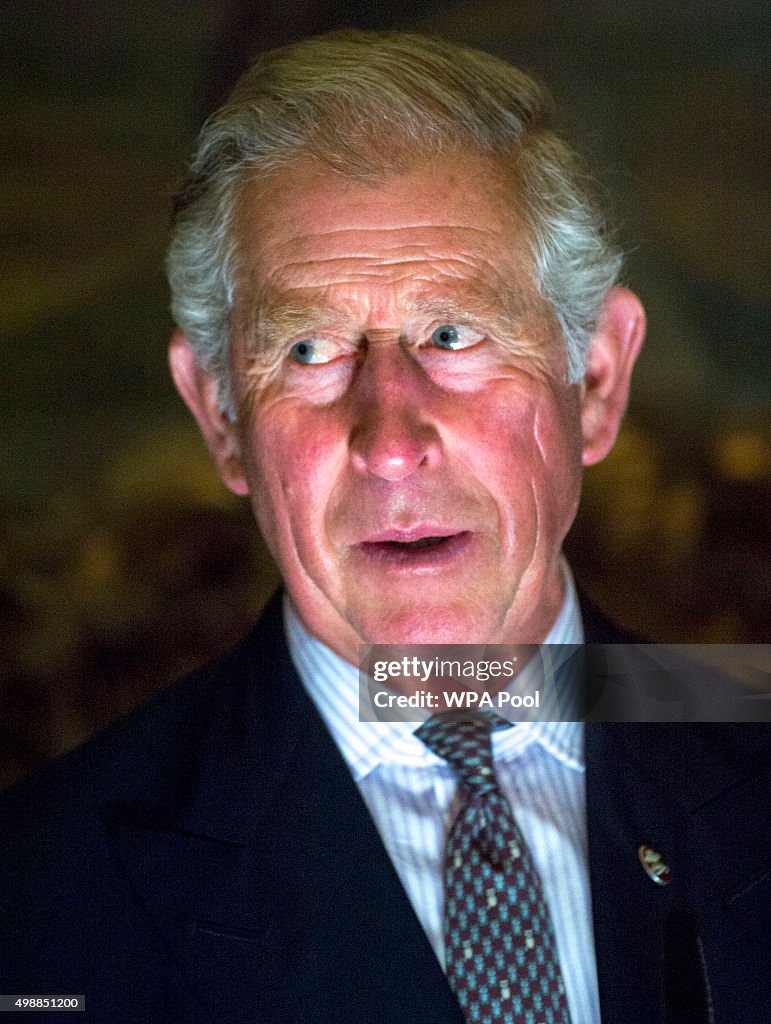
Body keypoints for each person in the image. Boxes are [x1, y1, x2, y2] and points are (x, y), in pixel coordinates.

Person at [0, 31, 766, 1024]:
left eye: (452, 334)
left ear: (597, 382)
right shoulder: (36, 899)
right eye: (311, 348)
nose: (391, 440)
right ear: (222, 416)